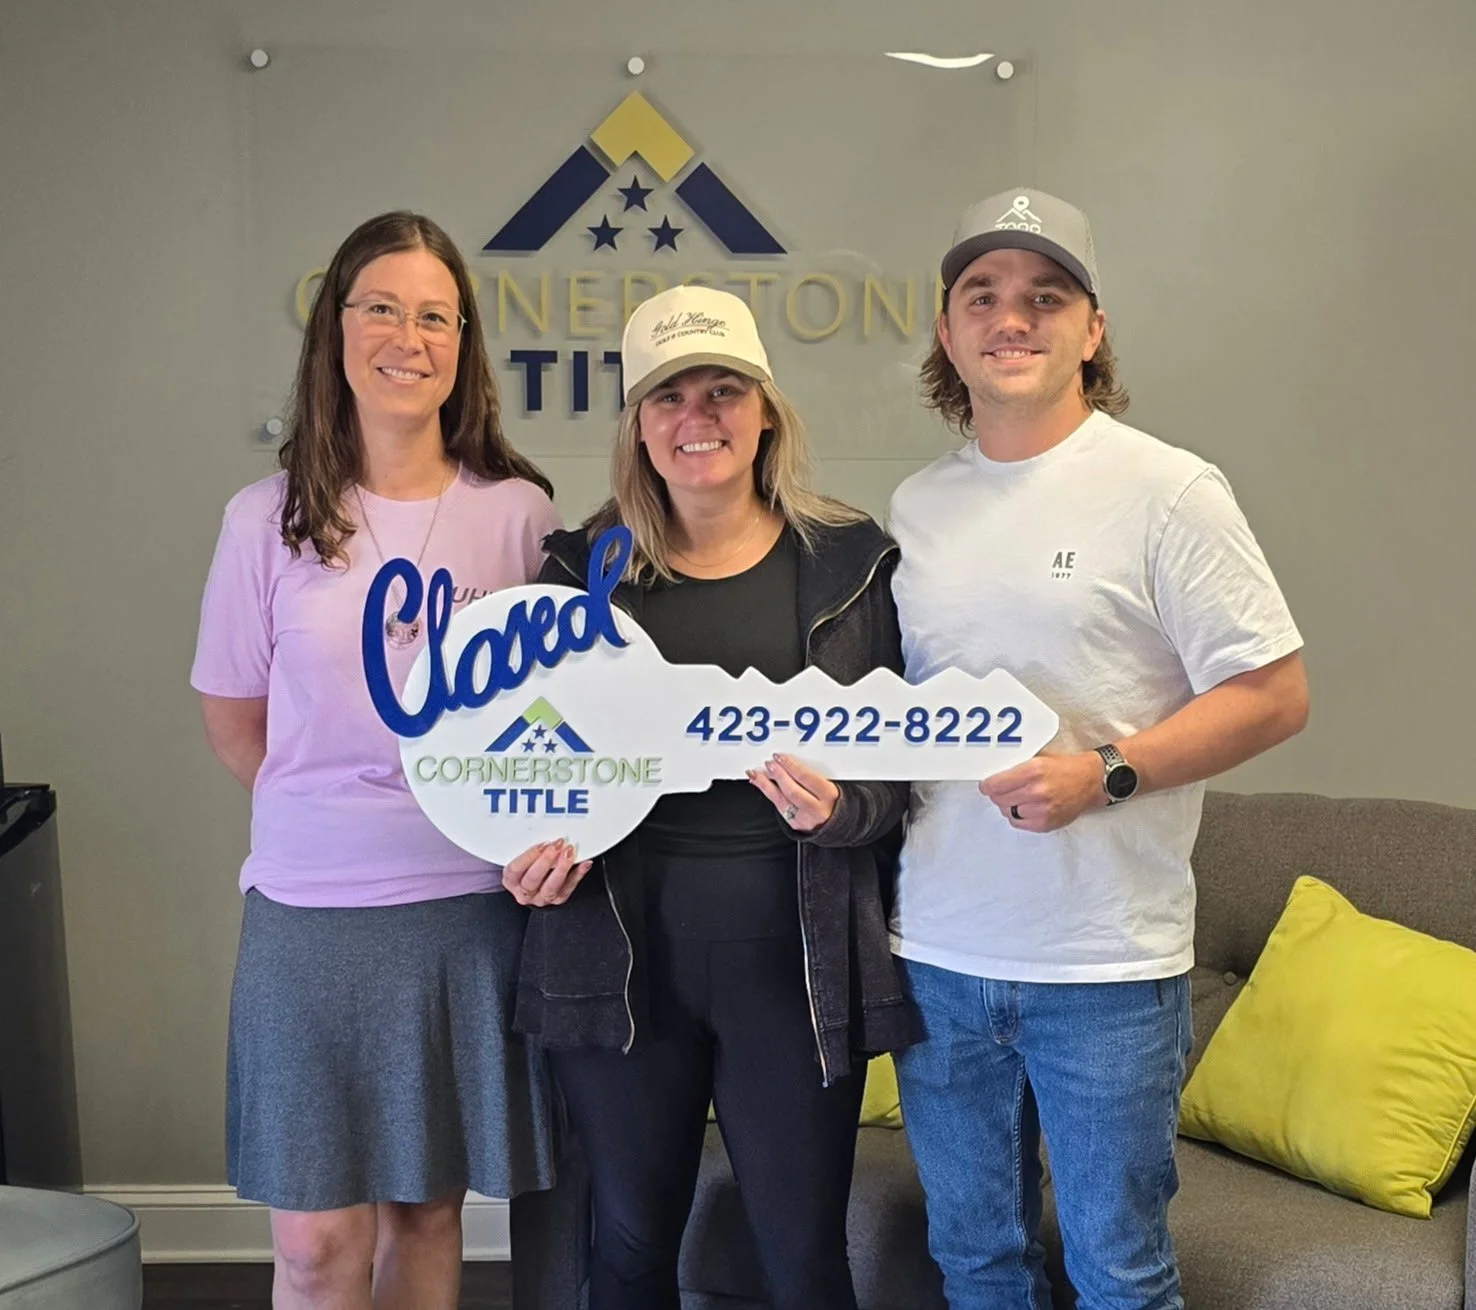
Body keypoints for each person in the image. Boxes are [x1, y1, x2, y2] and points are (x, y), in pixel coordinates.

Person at [887, 188, 1310, 1309]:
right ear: (948, 332)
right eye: (983, 295)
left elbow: (1274, 694)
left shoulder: (1168, 490)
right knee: (974, 1264)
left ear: (1092, 329)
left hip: (1104, 964)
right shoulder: (917, 508)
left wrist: (1107, 771)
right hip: (937, 951)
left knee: (1120, 1274)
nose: (1011, 318)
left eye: (1045, 296)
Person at [502, 285, 915, 1310]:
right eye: (669, 396)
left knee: (803, 1256)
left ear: (766, 409)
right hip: (620, 961)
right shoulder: (576, 575)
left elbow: (898, 776)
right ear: (638, 426)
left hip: (796, 965)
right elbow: (523, 767)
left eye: (724, 390)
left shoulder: (850, 564)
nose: (699, 417)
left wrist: (843, 809)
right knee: (629, 1244)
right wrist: (526, 851)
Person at [191, 211, 562, 1310]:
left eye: (436, 316)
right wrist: (340, 817)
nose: (410, 336)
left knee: (427, 1211)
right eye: (383, 308)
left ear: (464, 344)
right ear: (336, 329)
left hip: (463, 909)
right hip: (308, 912)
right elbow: (236, 721)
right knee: (314, 1244)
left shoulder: (519, 514)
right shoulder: (265, 519)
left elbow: (554, 720)